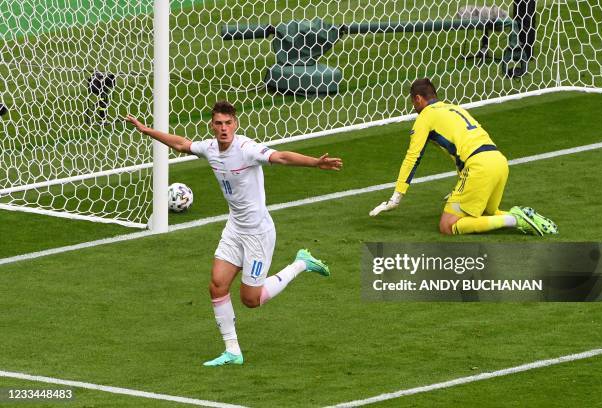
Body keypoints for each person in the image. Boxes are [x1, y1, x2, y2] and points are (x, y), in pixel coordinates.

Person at [126, 101, 342, 366]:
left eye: (228, 123)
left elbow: (281, 157)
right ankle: (233, 351)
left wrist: (314, 163)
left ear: (236, 125)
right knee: (217, 285)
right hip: (234, 228)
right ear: (212, 126)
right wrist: (146, 130)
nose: (224, 128)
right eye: (219, 124)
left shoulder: (247, 149)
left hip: (258, 233)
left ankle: (301, 263)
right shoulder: (209, 148)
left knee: (251, 300)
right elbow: (182, 144)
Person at [369, 78, 558, 236]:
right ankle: (526, 216)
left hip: (479, 167)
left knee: (447, 226)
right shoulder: (456, 109)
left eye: (413, 102)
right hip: (498, 161)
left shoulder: (425, 117)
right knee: (486, 213)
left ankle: (514, 219)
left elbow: (413, 158)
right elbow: (467, 144)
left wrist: (396, 198)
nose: (413, 107)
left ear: (418, 99)